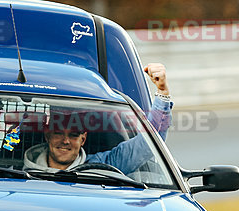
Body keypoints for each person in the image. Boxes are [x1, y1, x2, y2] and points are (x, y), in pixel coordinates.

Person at [23, 63, 173, 174]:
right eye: (58, 132)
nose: (65, 140)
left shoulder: (106, 166)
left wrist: (162, 92)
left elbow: (149, 142)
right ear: (47, 134)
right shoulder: (17, 173)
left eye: (74, 134)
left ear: (83, 139)